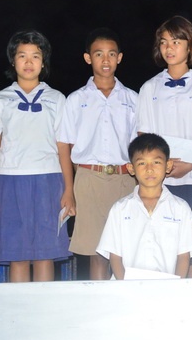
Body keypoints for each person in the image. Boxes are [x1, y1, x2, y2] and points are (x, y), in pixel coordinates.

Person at [0, 30, 73, 282]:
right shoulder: (0, 99)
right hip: (9, 181)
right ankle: (18, 307)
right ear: (13, 61)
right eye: (22, 55)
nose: (29, 62)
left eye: (35, 56)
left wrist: (69, 189)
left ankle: (44, 307)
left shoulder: (57, 99)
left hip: (49, 181)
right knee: (17, 254)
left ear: (43, 63)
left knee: (45, 254)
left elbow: (63, 147)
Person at [58, 28, 139, 280]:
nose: (106, 60)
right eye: (99, 54)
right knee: (97, 253)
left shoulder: (132, 99)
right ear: (88, 58)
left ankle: (124, 302)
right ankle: (100, 302)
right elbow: (64, 146)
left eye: (111, 54)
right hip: (89, 179)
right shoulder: (75, 100)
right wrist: (69, 189)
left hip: (125, 178)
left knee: (125, 250)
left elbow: (139, 145)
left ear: (120, 58)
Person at [136, 15, 192, 208]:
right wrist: (160, 164)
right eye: (164, 42)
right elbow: (143, 133)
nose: (169, 48)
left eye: (176, 42)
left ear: (190, 46)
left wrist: (190, 163)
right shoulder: (149, 88)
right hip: (159, 178)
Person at [96, 134, 192, 280]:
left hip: (167, 288)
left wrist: (174, 287)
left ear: (168, 166)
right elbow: (115, 256)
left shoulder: (181, 208)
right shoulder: (120, 209)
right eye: (142, 163)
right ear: (131, 168)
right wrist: (126, 285)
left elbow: (183, 256)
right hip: (127, 287)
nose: (149, 169)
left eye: (156, 162)